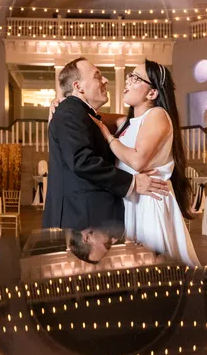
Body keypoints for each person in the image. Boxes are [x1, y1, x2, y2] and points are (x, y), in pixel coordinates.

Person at [42, 57, 169, 237]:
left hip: (135, 204)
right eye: (97, 76)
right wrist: (132, 182)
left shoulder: (84, 114)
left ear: (153, 93)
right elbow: (82, 160)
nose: (105, 80)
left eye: (136, 78)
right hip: (82, 220)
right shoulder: (71, 112)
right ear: (79, 87)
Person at [90, 60, 200, 266]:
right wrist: (62, 103)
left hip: (150, 202)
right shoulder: (127, 123)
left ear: (152, 93)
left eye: (136, 78)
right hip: (135, 199)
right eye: (129, 76)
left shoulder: (157, 115)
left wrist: (108, 136)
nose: (128, 81)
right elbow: (88, 114)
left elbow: (137, 160)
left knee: (156, 267)